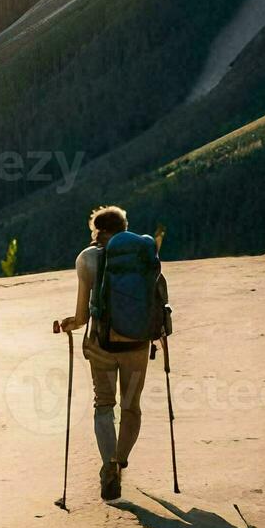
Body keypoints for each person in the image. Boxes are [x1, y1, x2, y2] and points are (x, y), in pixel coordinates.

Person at [57, 205, 149, 502]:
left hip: (101, 345)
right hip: (137, 344)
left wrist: (69, 324)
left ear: (98, 231)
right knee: (131, 407)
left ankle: (108, 466)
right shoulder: (143, 253)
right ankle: (119, 462)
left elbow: (82, 315)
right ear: (124, 228)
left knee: (104, 405)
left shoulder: (87, 258)